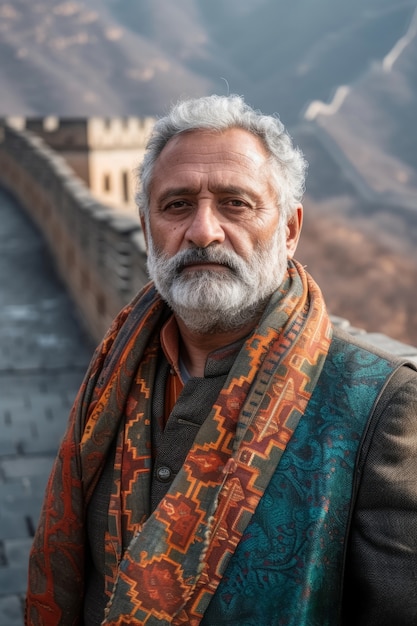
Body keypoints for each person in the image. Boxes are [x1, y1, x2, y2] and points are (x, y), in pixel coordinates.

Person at [26, 95, 417, 626]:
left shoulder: (379, 404)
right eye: (177, 204)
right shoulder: (112, 374)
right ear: (147, 228)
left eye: (236, 203)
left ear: (290, 229)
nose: (204, 231)